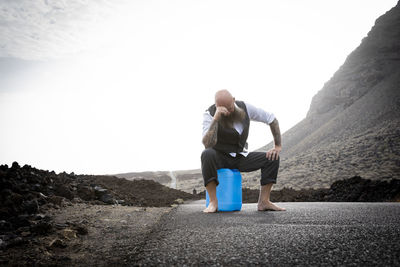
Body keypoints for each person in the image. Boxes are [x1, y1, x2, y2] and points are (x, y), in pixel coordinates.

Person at [201, 89, 286, 213]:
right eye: (223, 109)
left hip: (240, 156)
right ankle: (213, 202)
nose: (228, 112)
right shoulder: (209, 114)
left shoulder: (245, 108)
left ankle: (264, 201)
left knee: (272, 157)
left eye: (230, 108)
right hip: (220, 157)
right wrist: (216, 118)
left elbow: (271, 119)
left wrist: (277, 146)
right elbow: (207, 144)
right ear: (217, 106)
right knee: (207, 154)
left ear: (234, 100)